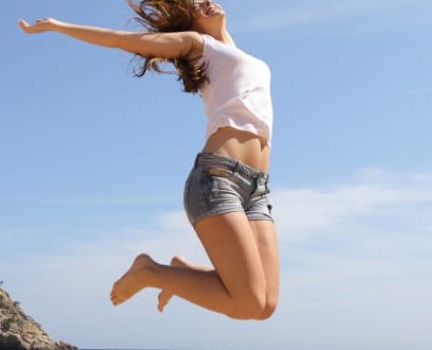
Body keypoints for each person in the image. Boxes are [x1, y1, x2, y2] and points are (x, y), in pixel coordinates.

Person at [19, 0, 278, 320]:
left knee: (266, 305)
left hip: (257, 188)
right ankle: (150, 271)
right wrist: (60, 27)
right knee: (248, 302)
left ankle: (180, 272)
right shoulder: (198, 45)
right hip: (218, 177)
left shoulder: (233, 50)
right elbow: (122, 40)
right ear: (188, 19)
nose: (207, 3)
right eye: (197, 5)